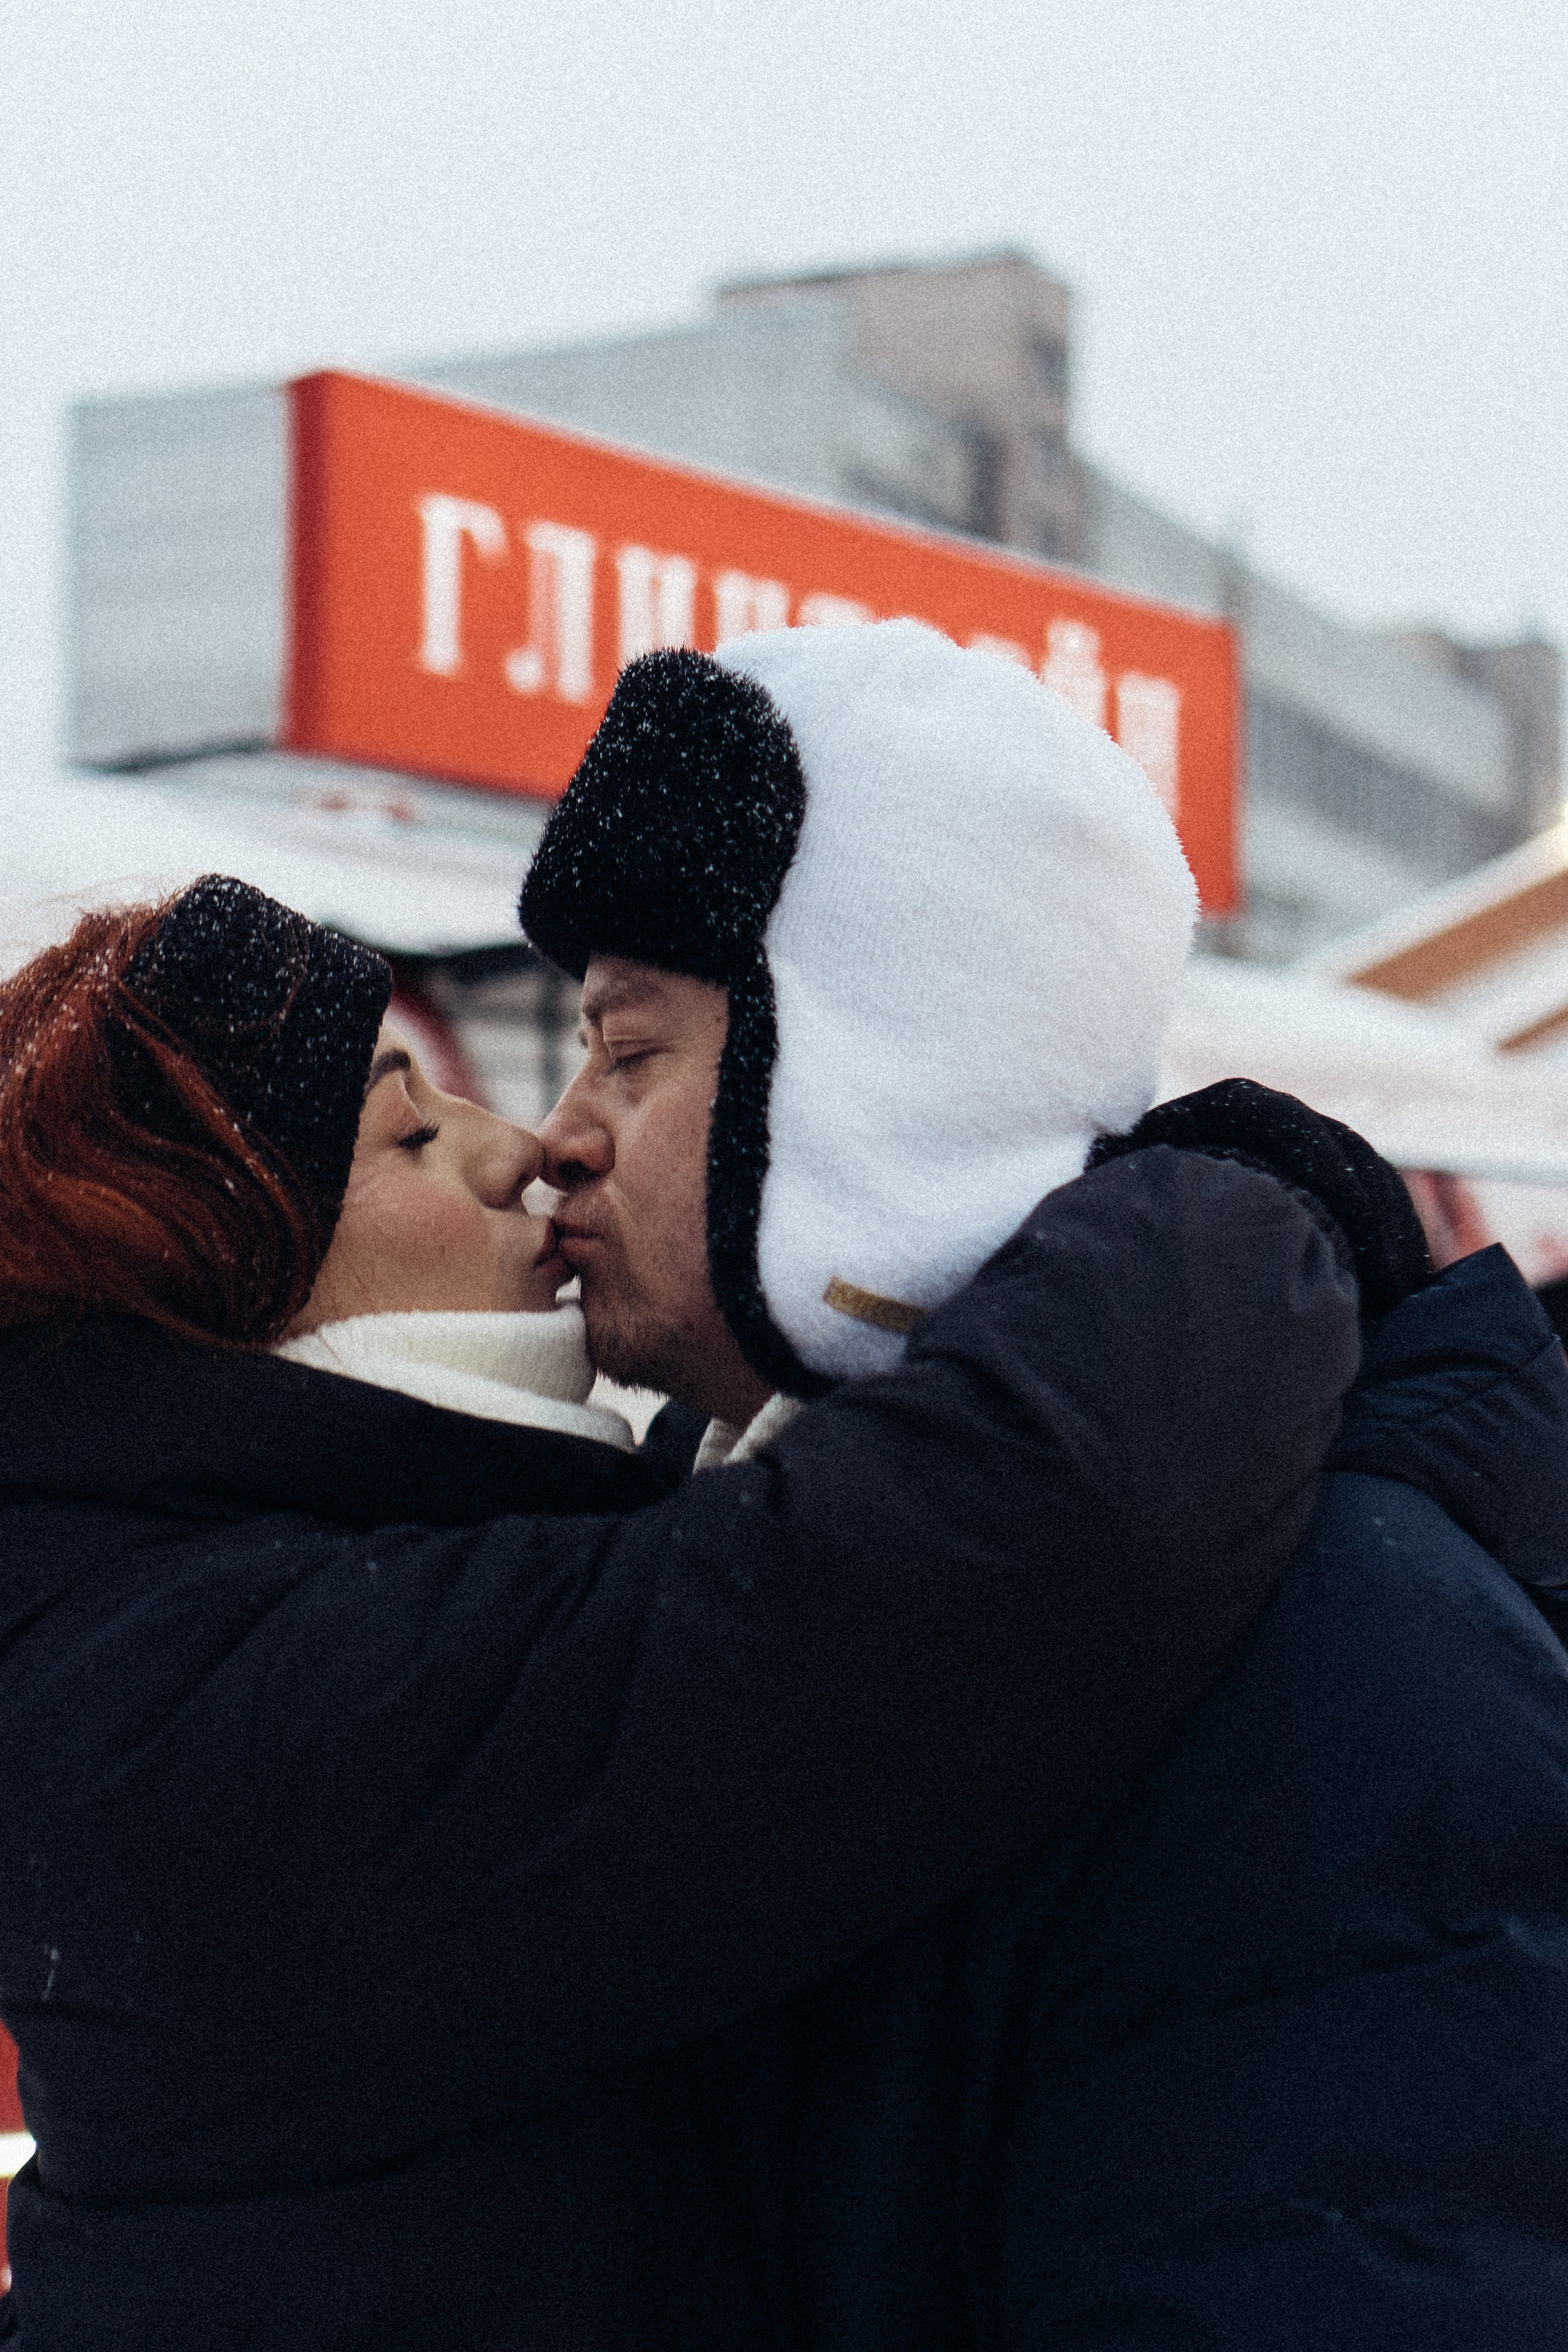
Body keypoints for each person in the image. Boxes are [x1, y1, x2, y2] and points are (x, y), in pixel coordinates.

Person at [0, 874, 1358, 2348]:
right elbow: (1006, 1547)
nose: (518, 1144)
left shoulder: (158, 1610)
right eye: (410, 1131)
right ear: (226, 1278)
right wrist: (1226, 1202)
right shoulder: (212, 1713)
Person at [524, 619, 1568, 2348]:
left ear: (876, 1087)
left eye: (631, 1055)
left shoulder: (1341, 1654)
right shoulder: (705, 1550)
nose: (560, 1130)